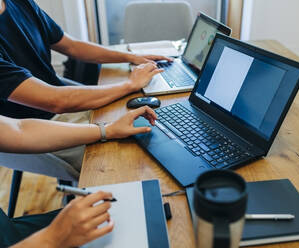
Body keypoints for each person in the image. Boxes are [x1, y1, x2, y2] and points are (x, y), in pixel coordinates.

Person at [0, 0, 171, 172]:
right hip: (43, 128)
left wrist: (131, 57)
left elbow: (72, 46)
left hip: (66, 108)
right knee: (142, 161)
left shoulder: (19, 3)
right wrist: (129, 85)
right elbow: (55, 101)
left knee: (159, 128)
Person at [0, 105, 157, 247]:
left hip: (12, 231)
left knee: (132, 215)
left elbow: (19, 129)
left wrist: (108, 130)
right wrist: (52, 238)